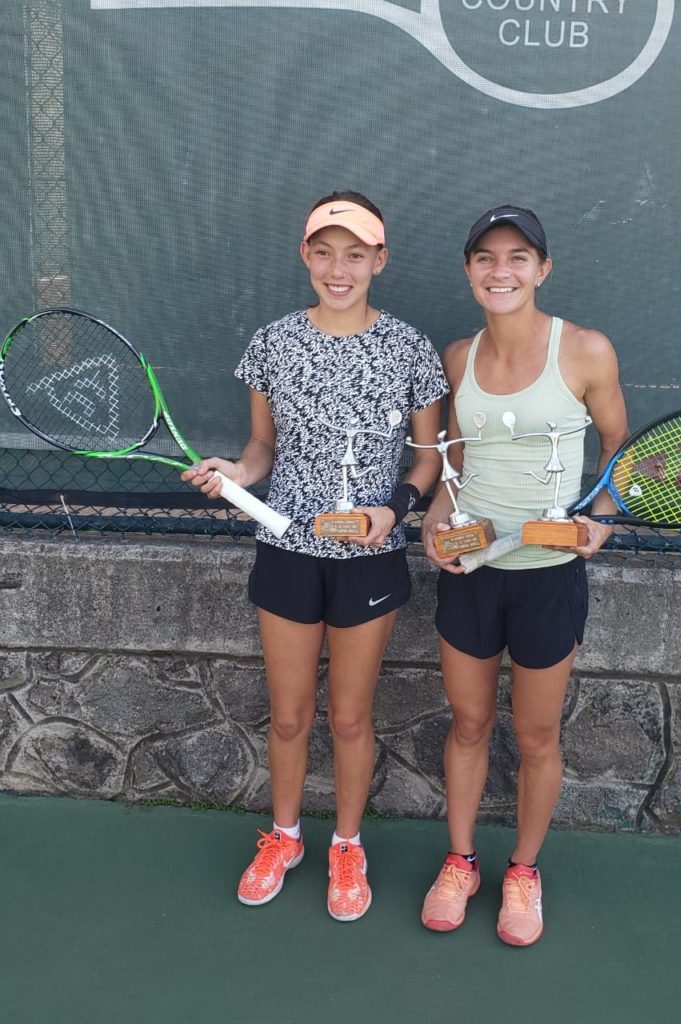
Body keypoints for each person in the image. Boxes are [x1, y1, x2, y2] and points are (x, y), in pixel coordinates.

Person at [184, 192, 447, 922]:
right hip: (286, 554)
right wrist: (236, 473)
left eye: (355, 253)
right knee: (292, 716)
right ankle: (287, 836)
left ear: (379, 261)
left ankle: (348, 846)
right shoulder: (271, 343)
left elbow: (428, 458)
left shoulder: (409, 348)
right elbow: (262, 448)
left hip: (371, 558)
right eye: (325, 251)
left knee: (350, 719)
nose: (339, 268)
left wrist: (391, 511)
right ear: (306, 255)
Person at [420, 205, 628, 946]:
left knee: (535, 736)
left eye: (517, 258)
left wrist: (599, 514)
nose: (500, 270)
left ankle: (523, 873)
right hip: (473, 571)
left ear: (542, 270)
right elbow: (455, 466)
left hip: (548, 577)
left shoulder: (586, 351)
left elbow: (619, 450)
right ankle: (462, 860)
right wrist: (430, 526)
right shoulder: (455, 359)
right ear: (469, 271)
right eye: (485, 257)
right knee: (470, 724)